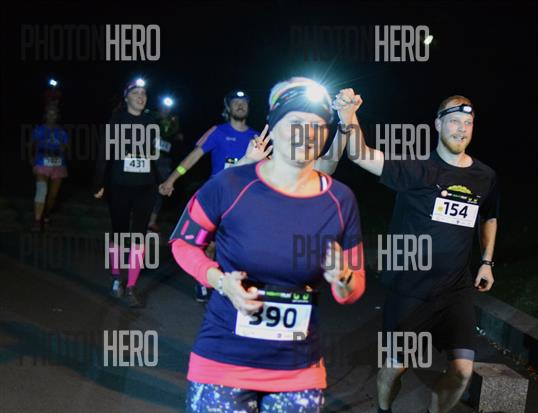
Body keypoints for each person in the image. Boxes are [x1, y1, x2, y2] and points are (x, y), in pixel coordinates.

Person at [170, 77, 365, 413]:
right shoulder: (230, 185)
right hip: (223, 367)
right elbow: (183, 243)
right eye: (294, 124)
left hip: (297, 376)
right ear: (272, 128)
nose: (305, 135)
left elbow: (353, 287)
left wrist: (343, 279)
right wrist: (219, 281)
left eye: (316, 127)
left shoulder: (341, 199)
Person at [344, 93, 500, 413]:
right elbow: (360, 154)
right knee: (394, 368)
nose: (461, 129)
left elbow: (489, 216)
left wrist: (486, 261)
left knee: (462, 371)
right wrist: (348, 115)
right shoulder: (417, 169)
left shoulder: (485, 176)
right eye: (454, 121)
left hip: (455, 290)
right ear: (438, 124)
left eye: (468, 123)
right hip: (410, 290)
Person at [160, 87, 352, 302]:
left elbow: (321, 166)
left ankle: (245, 289)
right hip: (220, 201)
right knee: (210, 245)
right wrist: (172, 178)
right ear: (227, 107)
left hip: (249, 206)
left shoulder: (259, 137)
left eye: (244, 103)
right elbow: (194, 158)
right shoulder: (218, 132)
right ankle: (213, 283)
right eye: (235, 102)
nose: (240, 106)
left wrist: (345, 127)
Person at [93, 78, 161, 308]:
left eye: (144, 93)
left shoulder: (152, 121)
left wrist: (162, 181)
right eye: (135, 93)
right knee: (119, 233)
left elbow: (155, 156)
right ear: (126, 97)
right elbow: (104, 153)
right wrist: (99, 183)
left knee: (139, 236)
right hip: (119, 185)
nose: (141, 97)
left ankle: (131, 286)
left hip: (146, 187)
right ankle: (116, 278)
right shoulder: (116, 121)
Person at [29, 104, 69, 231]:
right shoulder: (39, 130)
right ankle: (37, 221)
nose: (52, 116)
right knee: (41, 191)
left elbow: (67, 149)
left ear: (57, 116)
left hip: (58, 165)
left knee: (52, 196)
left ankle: (46, 215)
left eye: (54, 113)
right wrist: (32, 159)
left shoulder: (62, 132)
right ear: (45, 115)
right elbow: (31, 144)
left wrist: (63, 147)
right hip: (42, 163)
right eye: (49, 113)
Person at [147, 96, 183, 232]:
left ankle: (152, 222)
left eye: (168, 108)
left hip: (164, 161)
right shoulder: (150, 117)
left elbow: (177, 139)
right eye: (163, 107)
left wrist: (178, 137)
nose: (165, 110)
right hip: (147, 158)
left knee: (160, 189)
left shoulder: (173, 121)